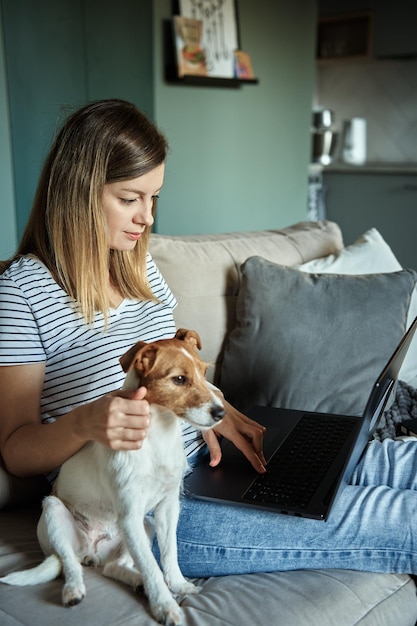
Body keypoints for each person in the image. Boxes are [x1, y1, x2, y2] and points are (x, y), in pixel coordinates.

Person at [1, 98, 417, 579]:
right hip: (144, 506)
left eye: (153, 198)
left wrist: (223, 415)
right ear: (79, 191)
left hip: (201, 460)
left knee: (395, 461)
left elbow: (174, 382)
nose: (147, 217)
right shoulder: (22, 290)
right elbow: (14, 449)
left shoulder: (140, 267)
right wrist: (87, 422)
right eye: (130, 198)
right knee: (400, 521)